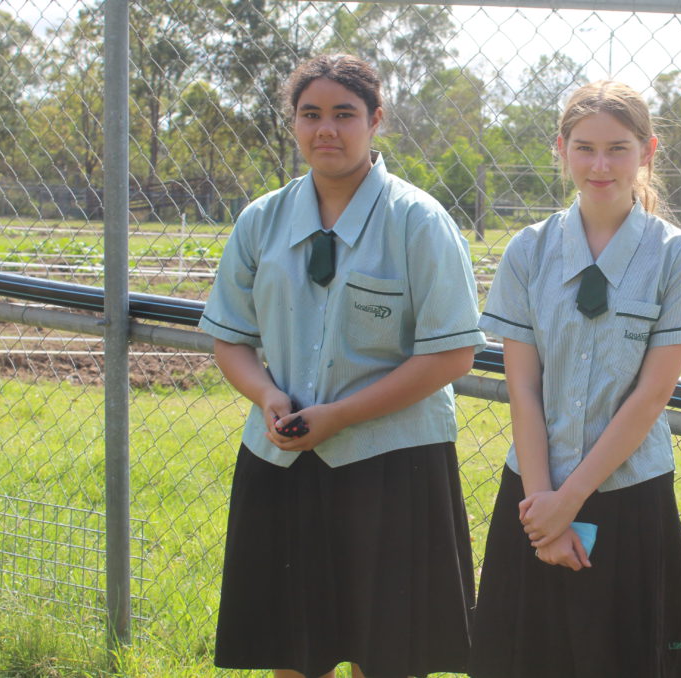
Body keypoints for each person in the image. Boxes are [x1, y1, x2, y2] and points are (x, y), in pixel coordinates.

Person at [198, 54, 484, 678]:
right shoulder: (261, 221)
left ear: (376, 120)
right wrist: (268, 397)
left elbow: (451, 352)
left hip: (392, 464)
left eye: (344, 114)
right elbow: (231, 339)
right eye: (311, 115)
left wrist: (341, 415)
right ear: (293, 124)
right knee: (295, 649)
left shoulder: (419, 222)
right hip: (285, 457)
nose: (326, 129)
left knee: (390, 653)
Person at [469, 81, 681, 678]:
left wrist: (569, 502)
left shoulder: (678, 258)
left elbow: (652, 396)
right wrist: (541, 507)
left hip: (630, 495)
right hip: (531, 490)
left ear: (647, 150)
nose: (600, 165)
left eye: (618, 148)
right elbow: (522, 390)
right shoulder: (528, 252)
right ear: (561, 148)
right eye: (585, 147)